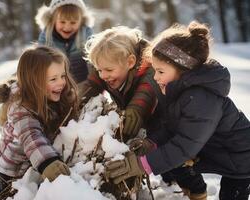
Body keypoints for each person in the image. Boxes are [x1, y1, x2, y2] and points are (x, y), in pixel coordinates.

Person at [104, 21, 250, 200]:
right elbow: (173, 127)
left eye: (160, 71)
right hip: (222, 153)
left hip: (241, 157)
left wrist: (141, 165)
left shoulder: (200, 98)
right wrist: (151, 142)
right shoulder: (183, 92)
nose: (155, 77)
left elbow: (183, 146)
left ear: (183, 69)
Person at [0, 46, 79, 194]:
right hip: (13, 172)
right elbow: (31, 136)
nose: (61, 82)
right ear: (34, 82)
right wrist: (48, 162)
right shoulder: (21, 108)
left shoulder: (50, 93)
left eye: (63, 76)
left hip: (33, 163)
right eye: (53, 79)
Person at [80, 26, 160, 142]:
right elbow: (92, 85)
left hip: (157, 124)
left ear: (130, 62)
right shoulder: (106, 66)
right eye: (99, 70)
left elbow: (146, 91)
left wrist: (136, 110)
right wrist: (75, 100)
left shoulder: (149, 70)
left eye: (109, 70)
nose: (103, 75)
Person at [35, 0, 94, 83]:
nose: (67, 27)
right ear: (53, 20)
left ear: (81, 21)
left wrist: (91, 80)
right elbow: (39, 60)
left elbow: (92, 59)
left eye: (73, 22)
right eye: (62, 22)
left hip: (82, 82)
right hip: (55, 83)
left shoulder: (86, 33)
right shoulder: (46, 35)